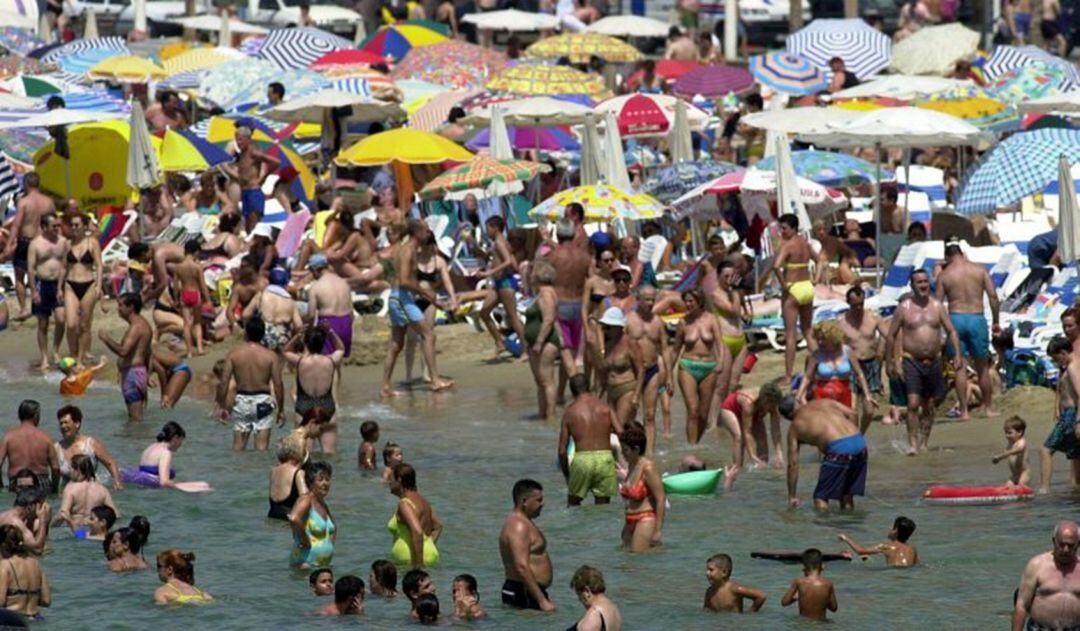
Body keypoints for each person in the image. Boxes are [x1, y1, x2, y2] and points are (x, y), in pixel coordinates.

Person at [886, 269, 963, 454]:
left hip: (934, 360)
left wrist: (957, 354)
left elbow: (951, 331)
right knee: (913, 404)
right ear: (912, 285)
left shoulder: (937, 306)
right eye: (919, 282)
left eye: (925, 282)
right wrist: (891, 361)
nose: (923, 285)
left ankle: (924, 442)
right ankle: (912, 444)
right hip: (911, 360)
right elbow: (891, 336)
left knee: (929, 405)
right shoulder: (904, 308)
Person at [383, 221, 452, 396]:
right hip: (402, 298)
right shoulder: (407, 251)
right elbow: (406, 280)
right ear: (417, 233)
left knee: (396, 344)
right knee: (428, 334)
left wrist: (430, 297)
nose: (429, 234)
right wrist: (428, 294)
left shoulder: (403, 249)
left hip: (397, 296)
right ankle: (435, 380)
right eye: (427, 231)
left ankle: (385, 388)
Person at [936, 238, 1001, 419]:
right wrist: (996, 320)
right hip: (976, 317)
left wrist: (942, 328)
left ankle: (964, 411)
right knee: (982, 367)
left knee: (960, 367)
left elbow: (937, 304)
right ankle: (988, 408)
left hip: (955, 319)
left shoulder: (945, 275)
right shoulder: (979, 270)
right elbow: (993, 297)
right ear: (962, 254)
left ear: (948, 257)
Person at [782, 398, 867, 511]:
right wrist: (854, 441)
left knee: (821, 498)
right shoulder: (823, 402)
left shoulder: (795, 427)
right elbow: (853, 414)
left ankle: (824, 527)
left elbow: (793, 464)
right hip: (860, 444)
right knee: (846, 496)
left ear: (788, 416)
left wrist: (792, 496)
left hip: (839, 450)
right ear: (798, 402)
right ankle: (850, 527)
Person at [217, 317, 285, 451]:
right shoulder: (271, 356)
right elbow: (278, 384)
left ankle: (238, 471)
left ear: (246, 333)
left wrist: (222, 405)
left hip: (241, 401)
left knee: (238, 448)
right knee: (261, 449)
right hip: (263, 402)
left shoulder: (234, 354)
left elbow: (224, 382)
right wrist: (281, 410)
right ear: (263, 333)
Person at [558, 374, 621, 507]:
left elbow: (562, 451)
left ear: (572, 391)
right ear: (588, 387)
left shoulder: (570, 412)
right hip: (605, 458)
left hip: (582, 460)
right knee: (603, 508)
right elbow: (621, 432)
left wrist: (567, 475)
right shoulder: (605, 407)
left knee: (573, 506)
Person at [673, 289, 726, 445]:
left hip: (709, 367)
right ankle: (692, 447)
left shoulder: (711, 319)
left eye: (691, 301)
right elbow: (676, 349)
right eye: (686, 301)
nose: (688, 304)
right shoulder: (683, 322)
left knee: (703, 414)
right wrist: (668, 373)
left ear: (699, 301)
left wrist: (721, 361)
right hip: (687, 366)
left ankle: (696, 441)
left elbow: (719, 343)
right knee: (693, 410)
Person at [836, 285, 889, 432]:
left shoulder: (873, 318)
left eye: (861, 304)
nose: (859, 308)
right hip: (851, 366)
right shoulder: (841, 322)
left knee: (869, 411)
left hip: (871, 365)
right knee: (853, 410)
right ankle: (851, 436)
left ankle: (860, 434)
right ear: (848, 303)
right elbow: (834, 345)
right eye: (855, 305)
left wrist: (883, 351)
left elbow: (890, 337)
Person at [772, 214, 817, 384]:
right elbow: (820, 260)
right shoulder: (805, 243)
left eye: (784, 228)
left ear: (793, 228)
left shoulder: (788, 245)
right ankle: (821, 365)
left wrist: (784, 285)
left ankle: (788, 375)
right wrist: (816, 278)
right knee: (808, 331)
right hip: (806, 286)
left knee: (790, 335)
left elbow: (776, 266)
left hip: (793, 287)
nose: (781, 232)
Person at [283, 326, 344, 454]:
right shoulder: (330, 361)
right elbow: (340, 348)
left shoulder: (300, 362)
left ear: (307, 343)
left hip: (304, 408)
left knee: (304, 456)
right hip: (327, 408)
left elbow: (286, 350)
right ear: (323, 343)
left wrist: (298, 335)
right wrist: (331, 331)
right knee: (329, 455)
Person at [525, 261, 572, 422]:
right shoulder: (542, 292)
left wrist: (539, 341)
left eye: (531, 273)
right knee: (540, 382)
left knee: (547, 381)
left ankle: (550, 415)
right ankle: (542, 414)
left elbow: (549, 319)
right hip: (538, 343)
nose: (529, 275)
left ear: (538, 275)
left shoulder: (546, 293)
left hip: (544, 343)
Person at [3, 174, 54, 321]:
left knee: (20, 275)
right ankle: (42, 305)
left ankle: (24, 309)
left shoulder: (24, 202)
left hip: (26, 241)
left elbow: (17, 225)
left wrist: (9, 244)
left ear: (26, 184)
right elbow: (55, 223)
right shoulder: (48, 202)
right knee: (42, 274)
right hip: (44, 241)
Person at [499, 479, 555, 612]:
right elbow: (521, 566)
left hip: (528, 592)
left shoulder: (524, 522)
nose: (543, 504)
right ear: (524, 501)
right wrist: (541, 600)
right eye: (539, 500)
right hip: (523, 593)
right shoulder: (519, 526)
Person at [626, 285, 669, 454]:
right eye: (647, 299)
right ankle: (629, 450)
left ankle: (649, 453)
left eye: (653, 299)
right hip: (632, 372)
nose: (651, 303)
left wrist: (670, 377)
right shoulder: (629, 320)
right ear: (638, 300)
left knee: (650, 415)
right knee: (630, 414)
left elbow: (664, 348)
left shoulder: (658, 321)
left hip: (652, 370)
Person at [797, 321, 875, 414]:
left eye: (823, 339)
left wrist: (867, 395)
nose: (819, 342)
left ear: (833, 338)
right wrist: (799, 394)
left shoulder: (846, 351)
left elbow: (859, 373)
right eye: (818, 339)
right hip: (822, 394)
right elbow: (807, 377)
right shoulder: (816, 354)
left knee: (848, 421)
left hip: (844, 392)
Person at [1014, 521, 1080, 630]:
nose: (1065, 550)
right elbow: (1021, 605)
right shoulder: (1037, 565)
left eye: (1070, 545)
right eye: (1062, 544)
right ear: (1054, 541)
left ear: (1078, 544)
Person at [99, 293, 153, 423]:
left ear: (131, 307)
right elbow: (148, 353)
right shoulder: (141, 325)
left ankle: (136, 441)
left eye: (121, 305)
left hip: (133, 375)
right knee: (134, 419)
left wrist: (106, 339)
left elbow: (123, 351)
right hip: (135, 373)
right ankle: (133, 441)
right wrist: (148, 375)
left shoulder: (137, 327)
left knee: (136, 420)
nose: (118, 308)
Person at [477, 216, 526, 357]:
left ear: (495, 228)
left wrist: (489, 272)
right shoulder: (499, 243)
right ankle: (500, 342)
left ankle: (526, 349)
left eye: (488, 228)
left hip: (505, 282)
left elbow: (508, 262)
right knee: (484, 312)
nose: (487, 231)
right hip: (499, 283)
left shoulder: (500, 242)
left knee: (513, 317)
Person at [547, 219, 592, 374]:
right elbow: (591, 280)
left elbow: (540, 279)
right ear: (573, 235)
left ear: (558, 235)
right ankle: (562, 393)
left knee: (566, 351)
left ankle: (577, 388)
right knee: (578, 355)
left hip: (560, 305)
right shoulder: (585, 256)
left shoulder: (553, 256)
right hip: (580, 305)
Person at [27, 212, 69, 371]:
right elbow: (30, 269)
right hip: (41, 284)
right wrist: (33, 291)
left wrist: (60, 287)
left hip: (57, 284)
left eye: (58, 225)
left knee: (61, 318)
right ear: (44, 227)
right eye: (54, 226)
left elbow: (64, 266)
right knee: (43, 323)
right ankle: (44, 357)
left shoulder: (63, 242)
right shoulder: (35, 244)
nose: (57, 229)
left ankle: (56, 350)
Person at [222, 123, 281, 233]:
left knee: (255, 226)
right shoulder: (242, 153)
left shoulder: (253, 151)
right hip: (245, 192)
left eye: (240, 140)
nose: (238, 143)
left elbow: (276, 162)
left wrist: (264, 177)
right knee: (248, 226)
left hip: (254, 191)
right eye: (236, 140)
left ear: (248, 139)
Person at [61, 212, 103, 369]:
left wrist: (99, 286)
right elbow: (64, 267)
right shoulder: (67, 244)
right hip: (70, 285)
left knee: (84, 325)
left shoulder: (92, 243)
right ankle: (73, 354)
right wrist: (59, 287)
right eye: (72, 225)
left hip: (89, 285)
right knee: (71, 324)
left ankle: (80, 359)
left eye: (77, 225)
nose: (74, 228)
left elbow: (99, 265)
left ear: (85, 226)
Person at [717, 382, 785, 470]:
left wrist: (779, 454)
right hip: (730, 409)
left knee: (762, 437)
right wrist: (752, 456)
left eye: (775, 405)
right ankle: (736, 468)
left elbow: (776, 430)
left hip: (754, 411)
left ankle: (763, 466)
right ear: (764, 400)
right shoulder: (749, 403)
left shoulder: (773, 405)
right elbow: (747, 432)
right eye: (771, 406)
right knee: (739, 437)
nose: (773, 408)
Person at [619, 423, 664, 552]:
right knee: (626, 563)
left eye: (626, 450)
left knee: (637, 562)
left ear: (637, 449)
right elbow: (629, 502)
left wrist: (658, 530)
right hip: (629, 521)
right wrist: (625, 525)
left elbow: (660, 498)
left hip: (645, 518)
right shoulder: (632, 465)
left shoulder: (648, 468)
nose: (622, 454)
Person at [1043, 337, 1080, 493]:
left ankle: (1045, 488)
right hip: (1070, 413)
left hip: (1072, 414)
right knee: (1076, 454)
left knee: (1046, 449)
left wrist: (1078, 420)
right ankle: (1075, 489)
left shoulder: (1072, 367)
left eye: (1055, 358)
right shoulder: (1074, 364)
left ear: (1063, 353)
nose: (1054, 362)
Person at [387, 463, 442, 568]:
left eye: (391, 479)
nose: (389, 483)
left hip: (413, 560)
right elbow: (438, 526)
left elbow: (417, 531)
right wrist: (428, 545)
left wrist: (418, 565)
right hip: (429, 554)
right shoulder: (424, 502)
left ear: (399, 480)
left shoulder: (404, 504)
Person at [54, 405, 121, 489]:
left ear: (77, 424)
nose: (63, 426)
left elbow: (110, 463)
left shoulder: (91, 444)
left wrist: (117, 483)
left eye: (66, 422)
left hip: (92, 489)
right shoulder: (56, 448)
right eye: (61, 423)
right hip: (68, 491)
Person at [0, 401, 59, 493]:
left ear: (19, 415)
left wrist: (1, 485)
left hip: (17, 482)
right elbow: (55, 468)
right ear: (36, 416)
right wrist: (55, 489)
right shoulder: (46, 438)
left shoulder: (9, 437)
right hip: (41, 482)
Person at [289, 461, 335, 569]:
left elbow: (332, 530)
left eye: (327, 479)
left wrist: (329, 547)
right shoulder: (306, 500)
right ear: (310, 483)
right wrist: (304, 538)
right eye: (320, 479)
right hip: (304, 565)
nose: (325, 483)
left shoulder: (322, 503)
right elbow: (294, 518)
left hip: (322, 568)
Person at [52, 455, 116, 535]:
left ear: (78, 470)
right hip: (94, 531)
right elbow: (115, 514)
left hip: (75, 531)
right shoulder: (102, 490)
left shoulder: (71, 488)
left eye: (70, 468)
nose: (69, 472)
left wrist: (49, 526)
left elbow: (63, 514)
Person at [0, 525, 50, 620]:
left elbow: (1, 602)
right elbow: (46, 601)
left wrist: (16, 599)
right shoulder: (36, 564)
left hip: (13, 620)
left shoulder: (5, 565)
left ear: (3, 545)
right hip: (36, 618)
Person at [174, 240, 211, 358]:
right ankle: (199, 349)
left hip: (184, 294)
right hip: (195, 294)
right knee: (197, 323)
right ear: (195, 252)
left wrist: (175, 298)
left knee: (186, 324)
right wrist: (208, 299)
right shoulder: (197, 267)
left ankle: (189, 351)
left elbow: (175, 286)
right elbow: (203, 285)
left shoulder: (178, 267)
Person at [837, 516, 919, 567]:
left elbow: (860, 551)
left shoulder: (886, 547)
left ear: (895, 531)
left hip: (893, 574)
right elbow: (917, 565)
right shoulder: (912, 549)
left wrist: (846, 538)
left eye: (892, 528)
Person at [781, 549, 838, 622]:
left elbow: (784, 602)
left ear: (804, 567)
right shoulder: (828, 584)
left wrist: (796, 597)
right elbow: (834, 608)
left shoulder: (799, 582)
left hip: (803, 624)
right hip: (821, 625)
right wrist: (823, 599)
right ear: (822, 566)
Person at [127, 422, 187, 489]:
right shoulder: (165, 452)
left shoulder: (151, 446)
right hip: (150, 488)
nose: (180, 444)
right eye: (181, 440)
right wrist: (181, 487)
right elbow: (164, 482)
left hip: (140, 484)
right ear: (175, 438)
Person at [567, 565, 622, 631]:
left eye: (579, 595)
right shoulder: (614, 608)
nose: (579, 600)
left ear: (587, 591)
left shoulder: (594, 616)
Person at [267, 436, 308, 521]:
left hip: (272, 515)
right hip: (289, 518)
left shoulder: (273, 471)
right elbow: (305, 499)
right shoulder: (298, 473)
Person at [0, 490, 48, 556]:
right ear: (30, 507)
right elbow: (37, 549)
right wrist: (43, 520)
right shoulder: (17, 523)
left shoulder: (4, 515)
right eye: (41, 506)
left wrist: (30, 521)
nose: (42, 510)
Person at [993, 416, 1031, 487]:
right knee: (1007, 487)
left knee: (1021, 486)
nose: (1007, 435)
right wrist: (999, 458)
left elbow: (1019, 449)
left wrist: (1009, 452)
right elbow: (1005, 454)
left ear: (1019, 432)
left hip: (1023, 474)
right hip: (1014, 475)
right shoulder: (1010, 443)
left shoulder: (1022, 442)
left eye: (1009, 433)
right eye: (1005, 433)